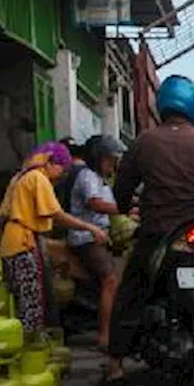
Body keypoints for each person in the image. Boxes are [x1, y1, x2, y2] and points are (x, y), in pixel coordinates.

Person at [106, 75, 194, 386]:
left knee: (132, 289)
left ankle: (114, 364)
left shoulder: (145, 141)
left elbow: (123, 185)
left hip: (159, 231)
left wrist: (125, 210)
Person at [0, 142, 110, 338]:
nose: (62, 175)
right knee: (30, 304)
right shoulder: (37, 178)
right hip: (21, 244)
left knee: (23, 300)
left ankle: (28, 347)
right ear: (50, 162)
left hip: (12, 242)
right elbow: (57, 215)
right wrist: (90, 227)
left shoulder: (21, 176)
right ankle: (30, 351)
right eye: (62, 169)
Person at [67, 135, 126, 354]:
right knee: (109, 280)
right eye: (109, 159)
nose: (112, 164)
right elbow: (96, 203)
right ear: (97, 158)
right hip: (85, 238)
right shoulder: (87, 176)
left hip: (100, 236)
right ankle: (104, 336)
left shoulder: (100, 179)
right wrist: (124, 208)